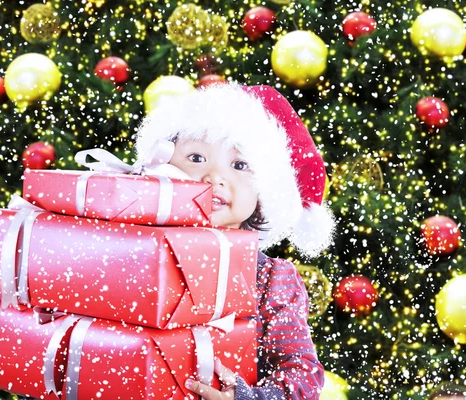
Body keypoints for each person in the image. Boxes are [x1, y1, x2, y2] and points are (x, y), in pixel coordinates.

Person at [134, 83, 337, 399]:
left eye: (240, 165)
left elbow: (301, 373)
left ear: (265, 191)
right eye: (197, 157)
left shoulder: (271, 279)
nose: (214, 177)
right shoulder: (133, 250)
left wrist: (248, 397)